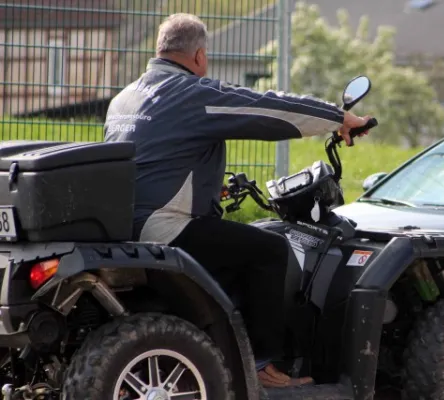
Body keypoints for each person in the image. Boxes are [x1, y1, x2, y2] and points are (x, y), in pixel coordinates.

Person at [103, 13, 372, 388]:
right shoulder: (187, 93)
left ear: (160, 49)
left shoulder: (124, 97)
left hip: (123, 224)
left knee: (232, 244)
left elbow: (157, 160)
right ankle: (263, 366)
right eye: (206, 56)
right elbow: (265, 108)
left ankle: (220, 347)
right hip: (164, 225)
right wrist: (338, 118)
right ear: (199, 55)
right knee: (270, 250)